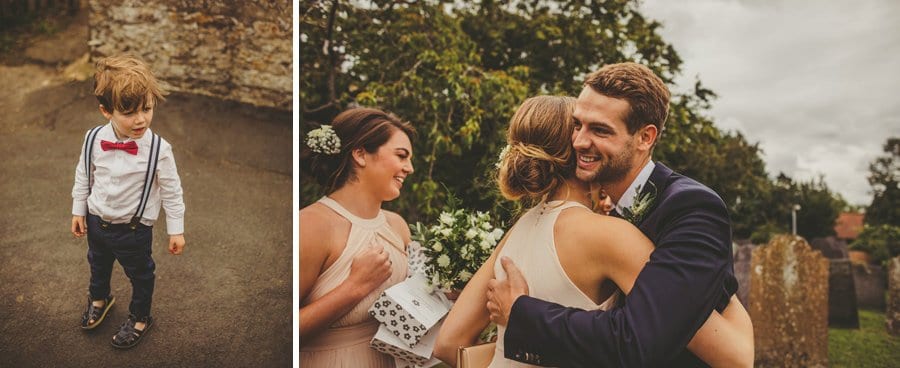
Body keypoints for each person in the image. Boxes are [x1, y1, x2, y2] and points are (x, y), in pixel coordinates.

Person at [434, 95, 753, 367]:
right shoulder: (611, 236)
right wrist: (713, 280)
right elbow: (733, 355)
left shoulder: (519, 229)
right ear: (580, 151)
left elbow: (449, 343)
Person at [71, 55, 186, 349]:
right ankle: (100, 298)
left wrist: (176, 229)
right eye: (129, 112)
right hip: (97, 221)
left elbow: (173, 191)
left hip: (133, 230)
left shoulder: (159, 149)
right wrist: (78, 209)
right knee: (97, 264)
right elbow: (84, 172)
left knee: (141, 274)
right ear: (106, 111)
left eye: (147, 109)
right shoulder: (93, 138)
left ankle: (140, 317)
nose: (141, 119)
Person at [299, 107, 416, 367]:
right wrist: (355, 287)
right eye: (401, 156)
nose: (409, 168)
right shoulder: (311, 225)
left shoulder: (398, 226)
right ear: (361, 154)